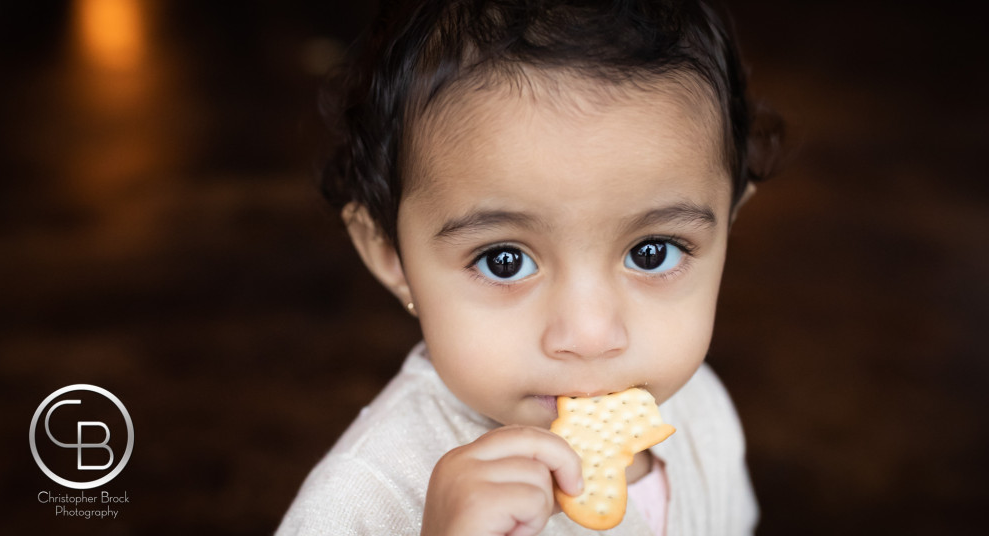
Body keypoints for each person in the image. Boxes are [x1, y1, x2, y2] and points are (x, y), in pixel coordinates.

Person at [279, 0, 781, 534]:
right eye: (505, 260)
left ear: (728, 226)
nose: (589, 336)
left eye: (651, 251)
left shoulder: (700, 411)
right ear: (390, 255)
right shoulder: (367, 497)